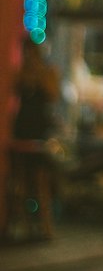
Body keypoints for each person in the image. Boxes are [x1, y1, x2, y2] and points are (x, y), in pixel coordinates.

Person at [7, 40, 61, 242]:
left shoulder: (47, 72)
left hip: (39, 132)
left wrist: (37, 74)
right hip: (22, 131)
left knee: (40, 182)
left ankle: (46, 227)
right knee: (19, 181)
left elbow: (53, 94)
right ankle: (24, 225)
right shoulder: (22, 73)